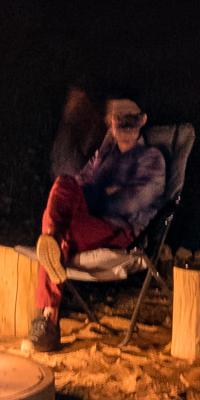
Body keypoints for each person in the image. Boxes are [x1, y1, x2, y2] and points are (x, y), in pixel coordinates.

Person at [32, 95, 167, 350]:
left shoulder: (151, 157)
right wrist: (106, 190)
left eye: (132, 119)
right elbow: (78, 185)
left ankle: (48, 321)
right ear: (110, 123)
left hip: (124, 232)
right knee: (64, 183)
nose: (126, 126)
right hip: (93, 224)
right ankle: (51, 238)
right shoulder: (103, 155)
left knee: (60, 234)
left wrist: (96, 194)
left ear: (143, 120)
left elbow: (129, 203)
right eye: (120, 119)